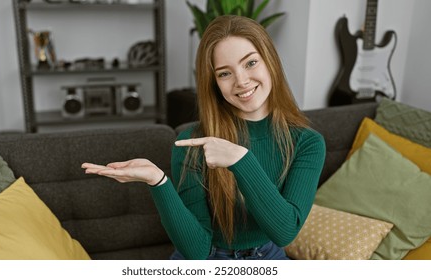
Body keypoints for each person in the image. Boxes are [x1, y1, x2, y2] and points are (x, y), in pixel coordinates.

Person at [82, 15, 326, 260]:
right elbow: (196, 253)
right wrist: (158, 182)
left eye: (250, 63)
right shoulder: (193, 143)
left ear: (270, 61)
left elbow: (284, 232)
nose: (241, 81)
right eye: (224, 74)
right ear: (214, 83)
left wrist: (241, 160)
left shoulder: (307, 143)